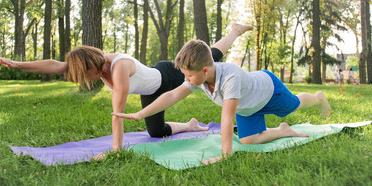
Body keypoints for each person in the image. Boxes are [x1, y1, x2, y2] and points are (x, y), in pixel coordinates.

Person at [0, 23, 253, 160]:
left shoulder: (119, 68)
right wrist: (17, 64)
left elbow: (119, 113)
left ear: (93, 67)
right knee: (156, 132)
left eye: (85, 76)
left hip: (165, 78)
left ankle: (234, 32)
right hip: (150, 88)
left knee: (210, 57)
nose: (85, 81)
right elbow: (57, 65)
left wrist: (116, 149)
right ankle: (190, 124)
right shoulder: (90, 61)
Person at [113, 39, 332, 165]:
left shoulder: (231, 78)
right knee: (247, 140)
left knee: (293, 105)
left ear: (205, 70)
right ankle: (283, 130)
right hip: (248, 107)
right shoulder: (198, 78)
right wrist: (141, 114)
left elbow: (227, 118)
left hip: (268, 90)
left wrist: (225, 156)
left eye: (188, 76)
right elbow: (172, 96)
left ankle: (317, 98)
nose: (186, 80)